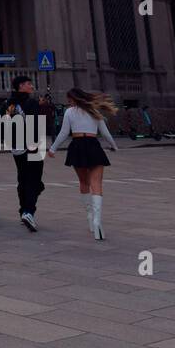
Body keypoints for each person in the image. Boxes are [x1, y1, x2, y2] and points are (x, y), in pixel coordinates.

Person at [47, 88, 118, 238]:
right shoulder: (94, 111)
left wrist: (52, 148)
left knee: (84, 182)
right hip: (93, 145)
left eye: (69, 100)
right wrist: (113, 145)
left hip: (77, 145)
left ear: (73, 99)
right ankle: (98, 221)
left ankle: (90, 217)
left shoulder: (69, 112)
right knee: (96, 184)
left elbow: (64, 133)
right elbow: (105, 133)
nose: (69, 103)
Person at [6, 75, 45, 232]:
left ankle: (23, 211)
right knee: (34, 179)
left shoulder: (9, 104)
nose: (32, 86)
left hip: (16, 147)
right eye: (29, 84)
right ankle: (29, 211)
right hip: (32, 145)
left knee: (22, 178)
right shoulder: (31, 102)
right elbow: (36, 124)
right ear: (21, 86)